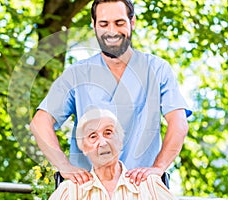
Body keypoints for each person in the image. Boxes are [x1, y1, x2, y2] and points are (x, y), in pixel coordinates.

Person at [30, 0, 192, 186]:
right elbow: (40, 122)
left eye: (119, 22)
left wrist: (158, 168)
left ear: (132, 23)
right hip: (88, 190)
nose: (112, 31)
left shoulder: (157, 69)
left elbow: (178, 122)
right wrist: (64, 166)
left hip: (140, 188)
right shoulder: (78, 74)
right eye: (104, 24)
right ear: (94, 25)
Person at [49, 108, 177, 199]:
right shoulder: (70, 190)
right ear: (84, 148)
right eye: (93, 136)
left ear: (120, 141)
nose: (103, 142)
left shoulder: (150, 185)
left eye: (108, 133)